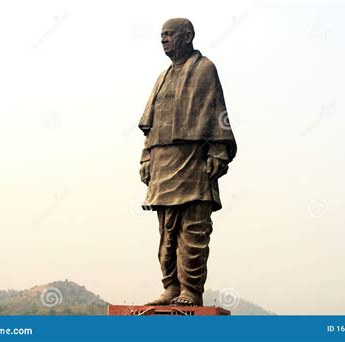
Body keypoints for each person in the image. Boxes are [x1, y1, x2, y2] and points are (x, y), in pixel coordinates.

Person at [138, 18, 237, 306]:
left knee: (193, 230)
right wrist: (146, 157)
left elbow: (216, 111)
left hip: (193, 160)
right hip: (162, 161)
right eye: (161, 35)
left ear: (187, 36)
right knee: (166, 232)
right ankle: (170, 286)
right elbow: (150, 125)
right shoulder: (162, 77)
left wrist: (218, 151)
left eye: (169, 34)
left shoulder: (205, 68)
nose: (163, 39)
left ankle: (191, 291)